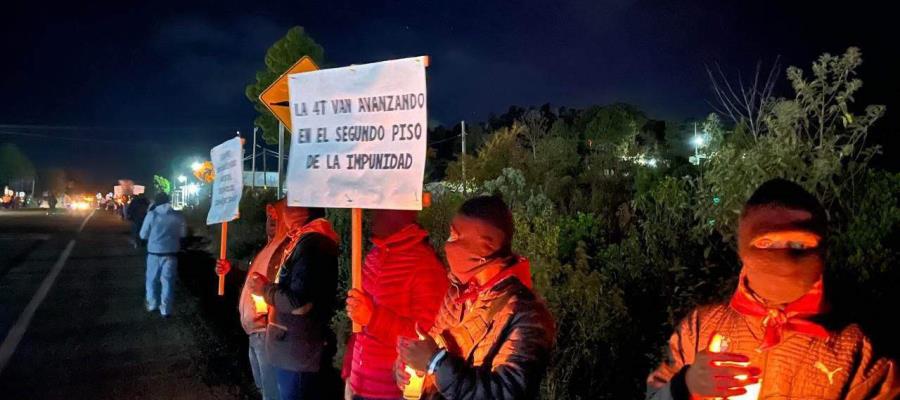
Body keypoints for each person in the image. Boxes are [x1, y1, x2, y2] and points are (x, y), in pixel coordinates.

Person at [646, 178, 898, 400]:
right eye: (766, 242)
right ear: (743, 248)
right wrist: (686, 385)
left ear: (822, 250)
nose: (784, 257)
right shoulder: (699, 329)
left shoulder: (858, 352)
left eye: (799, 243)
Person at [395, 195, 555, 400]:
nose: (447, 245)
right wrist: (413, 368)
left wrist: (435, 362)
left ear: (484, 247)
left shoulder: (527, 315)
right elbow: (435, 346)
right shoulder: (458, 294)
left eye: (454, 236)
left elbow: (505, 393)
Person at [343, 210, 449, 400]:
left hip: (393, 391)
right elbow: (358, 327)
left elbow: (427, 339)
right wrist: (349, 373)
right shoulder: (374, 255)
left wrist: (373, 317)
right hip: (359, 385)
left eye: (379, 208)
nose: (370, 214)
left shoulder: (425, 266)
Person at [246, 205, 340, 400]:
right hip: (287, 349)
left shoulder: (313, 244)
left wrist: (264, 290)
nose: (279, 216)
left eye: (285, 207)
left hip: (296, 353)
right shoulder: (301, 240)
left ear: (301, 210)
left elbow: (298, 303)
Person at [216, 200, 286, 400]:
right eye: (269, 218)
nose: (271, 222)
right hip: (255, 334)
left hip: (267, 333)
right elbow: (252, 279)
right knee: (264, 389)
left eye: (277, 218)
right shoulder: (267, 247)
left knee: (272, 394)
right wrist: (231, 270)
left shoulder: (285, 250)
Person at [139, 192, 186, 317]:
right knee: (168, 282)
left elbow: (143, 234)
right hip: (171, 253)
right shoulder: (178, 215)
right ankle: (166, 310)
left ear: (157, 201)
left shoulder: (152, 215)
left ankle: (152, 304)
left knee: (151, 279)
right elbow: (183, 234)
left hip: (154, 253)